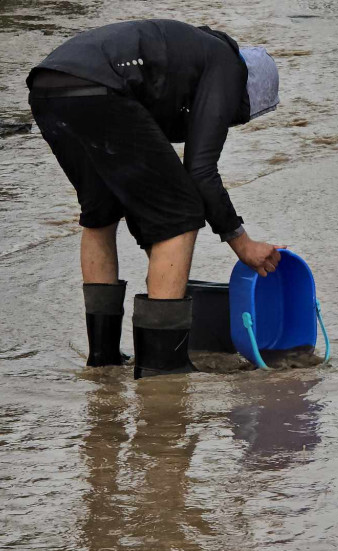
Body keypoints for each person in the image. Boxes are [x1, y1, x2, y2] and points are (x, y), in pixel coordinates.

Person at [27, 19, 284, 378]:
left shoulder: (187, 61)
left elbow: (141, 186)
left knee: (102, 210)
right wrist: (241, 242)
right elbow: (200, 172)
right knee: (182, 215)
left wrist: (158, 246)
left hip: (48, 85)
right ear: (247, 94)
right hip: (102, 86)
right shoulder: (228, 67)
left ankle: (103, 360)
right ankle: (162, 368)